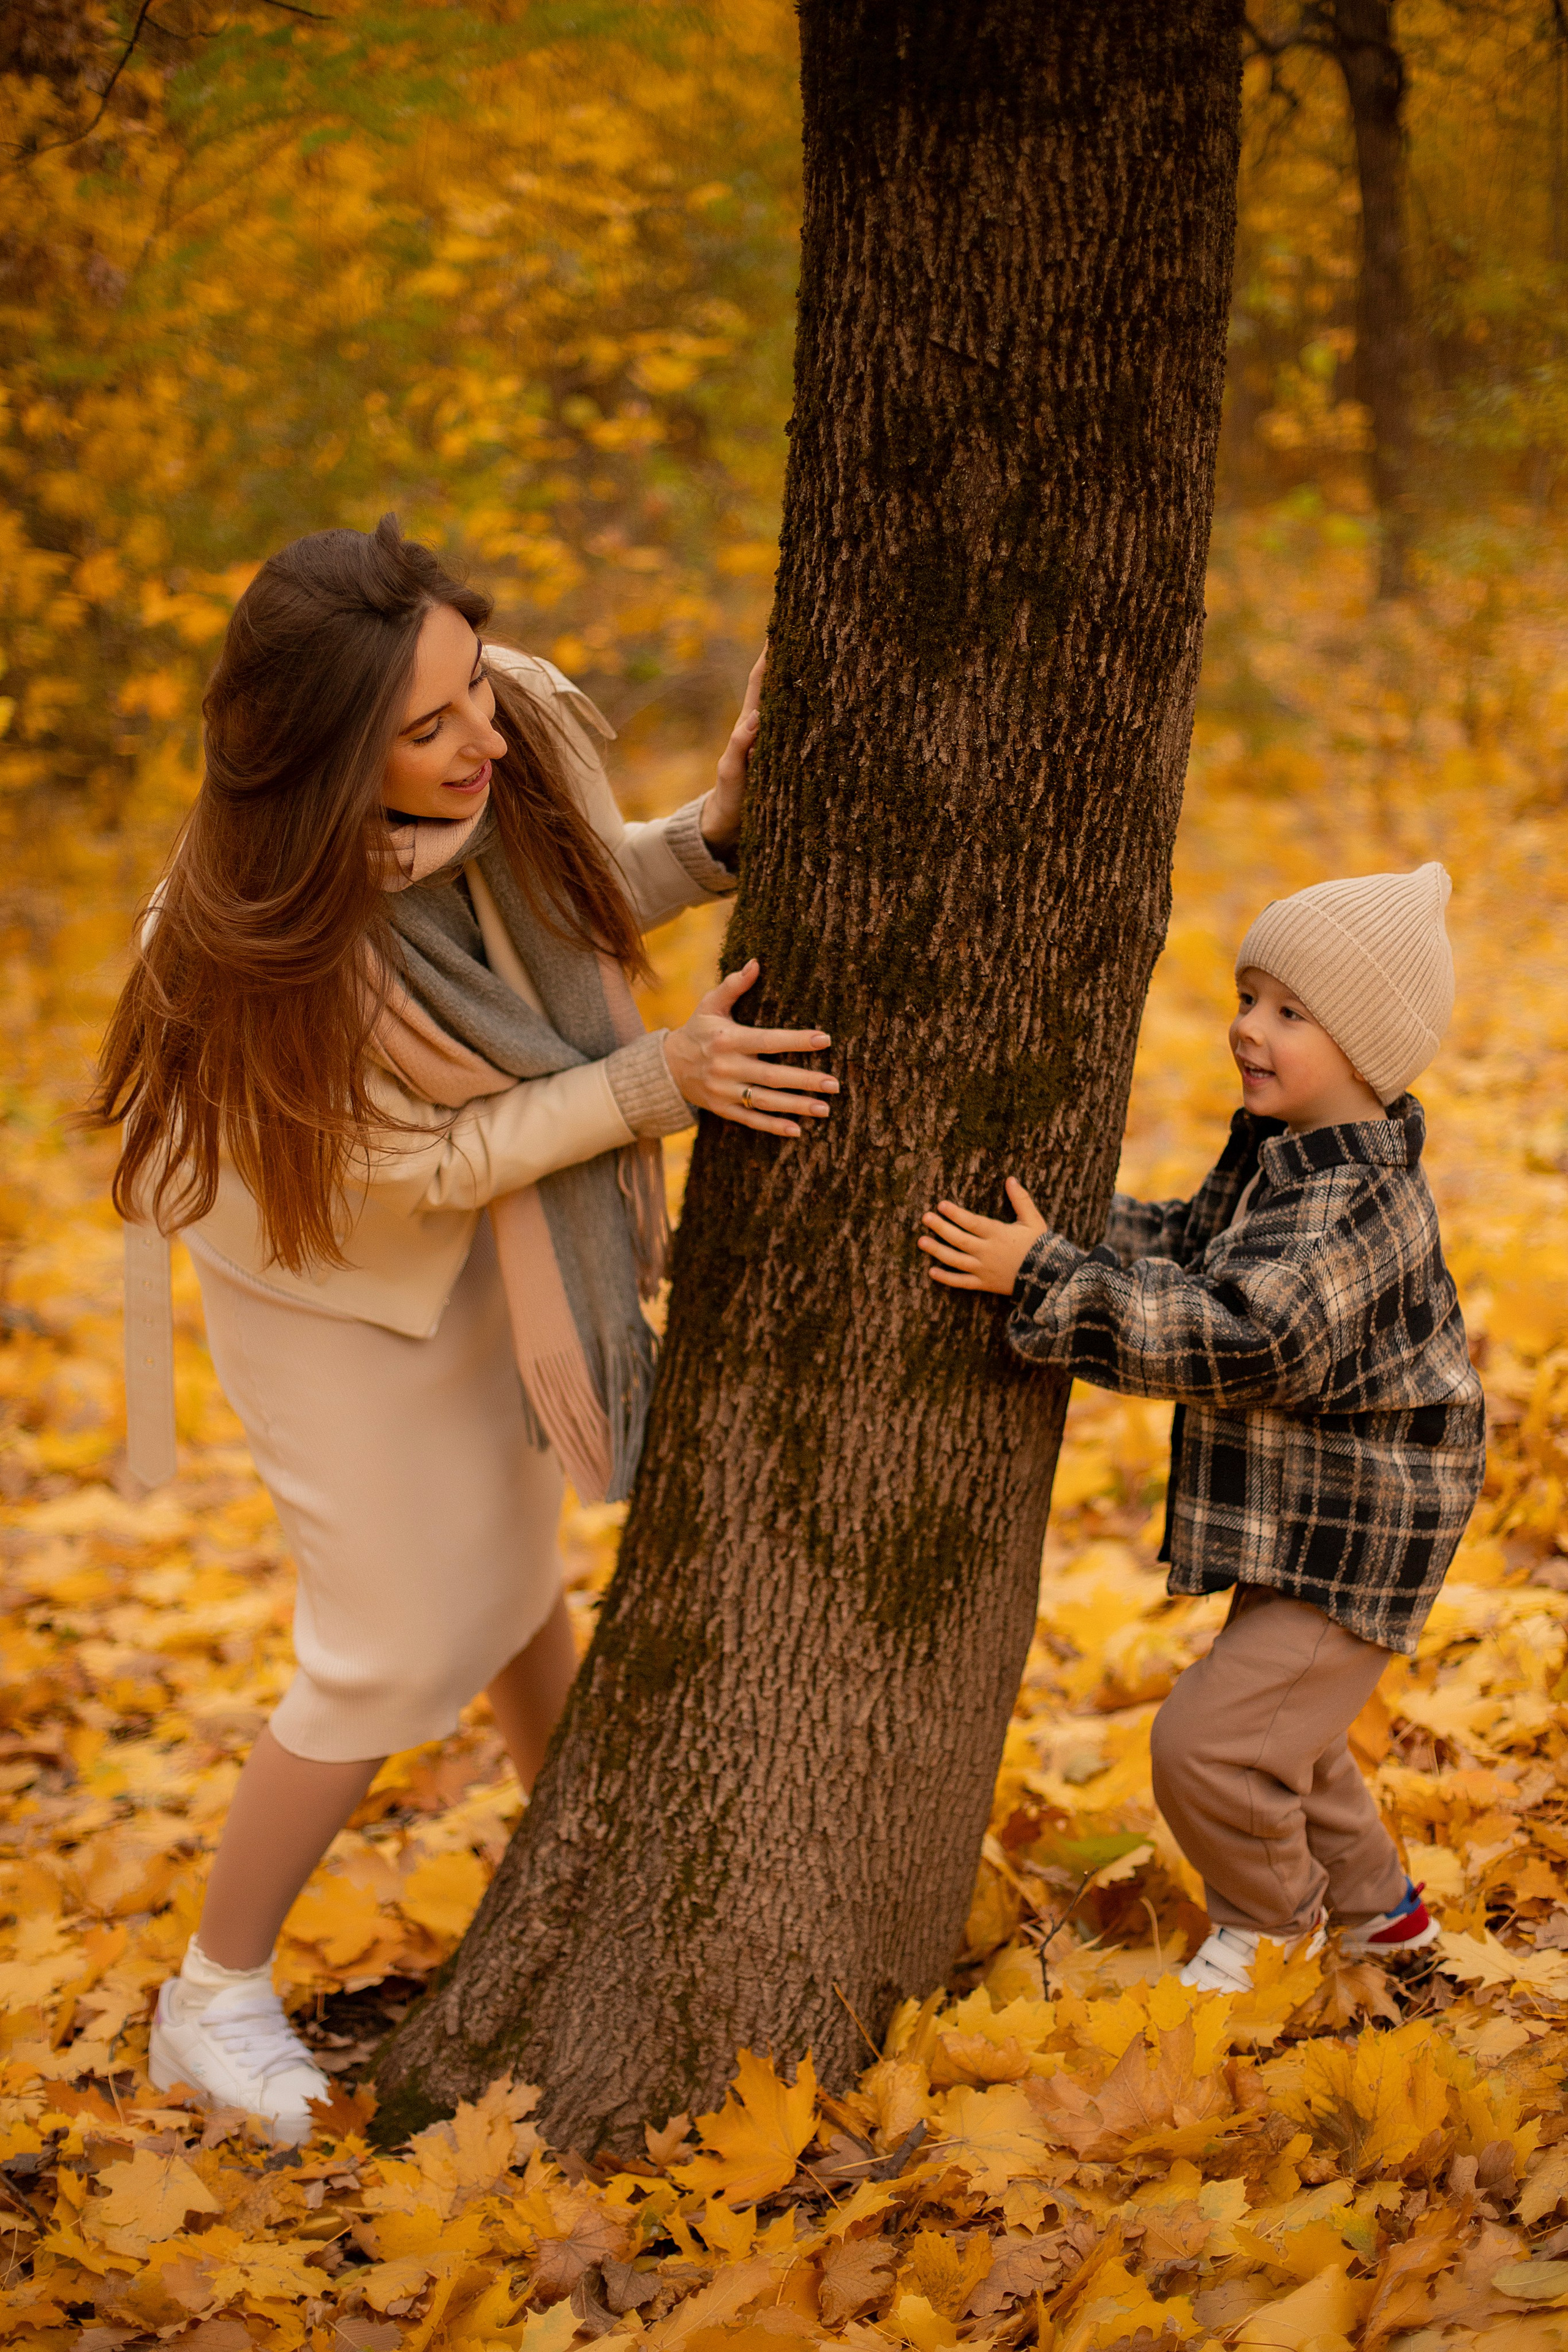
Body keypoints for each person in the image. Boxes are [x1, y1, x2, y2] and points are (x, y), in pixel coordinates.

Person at [96, 517, 837, 2139]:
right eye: (428, 728)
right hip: (328, 1272)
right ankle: (209, 1995)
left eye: (473, 689)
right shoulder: (248, 939)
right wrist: (659, 1084)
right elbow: (411, 1162)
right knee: (389, 1646)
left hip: (483, 1232)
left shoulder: (498, 746)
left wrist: (709, 837)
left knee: (509, 1578)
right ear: (322, 756)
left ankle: (585, 1871)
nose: (481, 737)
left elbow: (553, 928)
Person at [918, 864, 1485, 1994]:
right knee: (1293, 1743)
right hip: (1318, 1509)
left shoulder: (1360, 1203)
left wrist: (1051, 1281)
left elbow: (1246, 1340)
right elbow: (1192, 1245)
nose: (1247, 1030)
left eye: (1289, 1012)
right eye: (1247, 997)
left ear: (1368, 1049)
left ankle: (1271, 1936)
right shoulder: (1290, 1158)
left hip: (1361, 1530)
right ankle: (1386, 1924)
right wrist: (1078, 1229)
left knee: (1212, 1747)